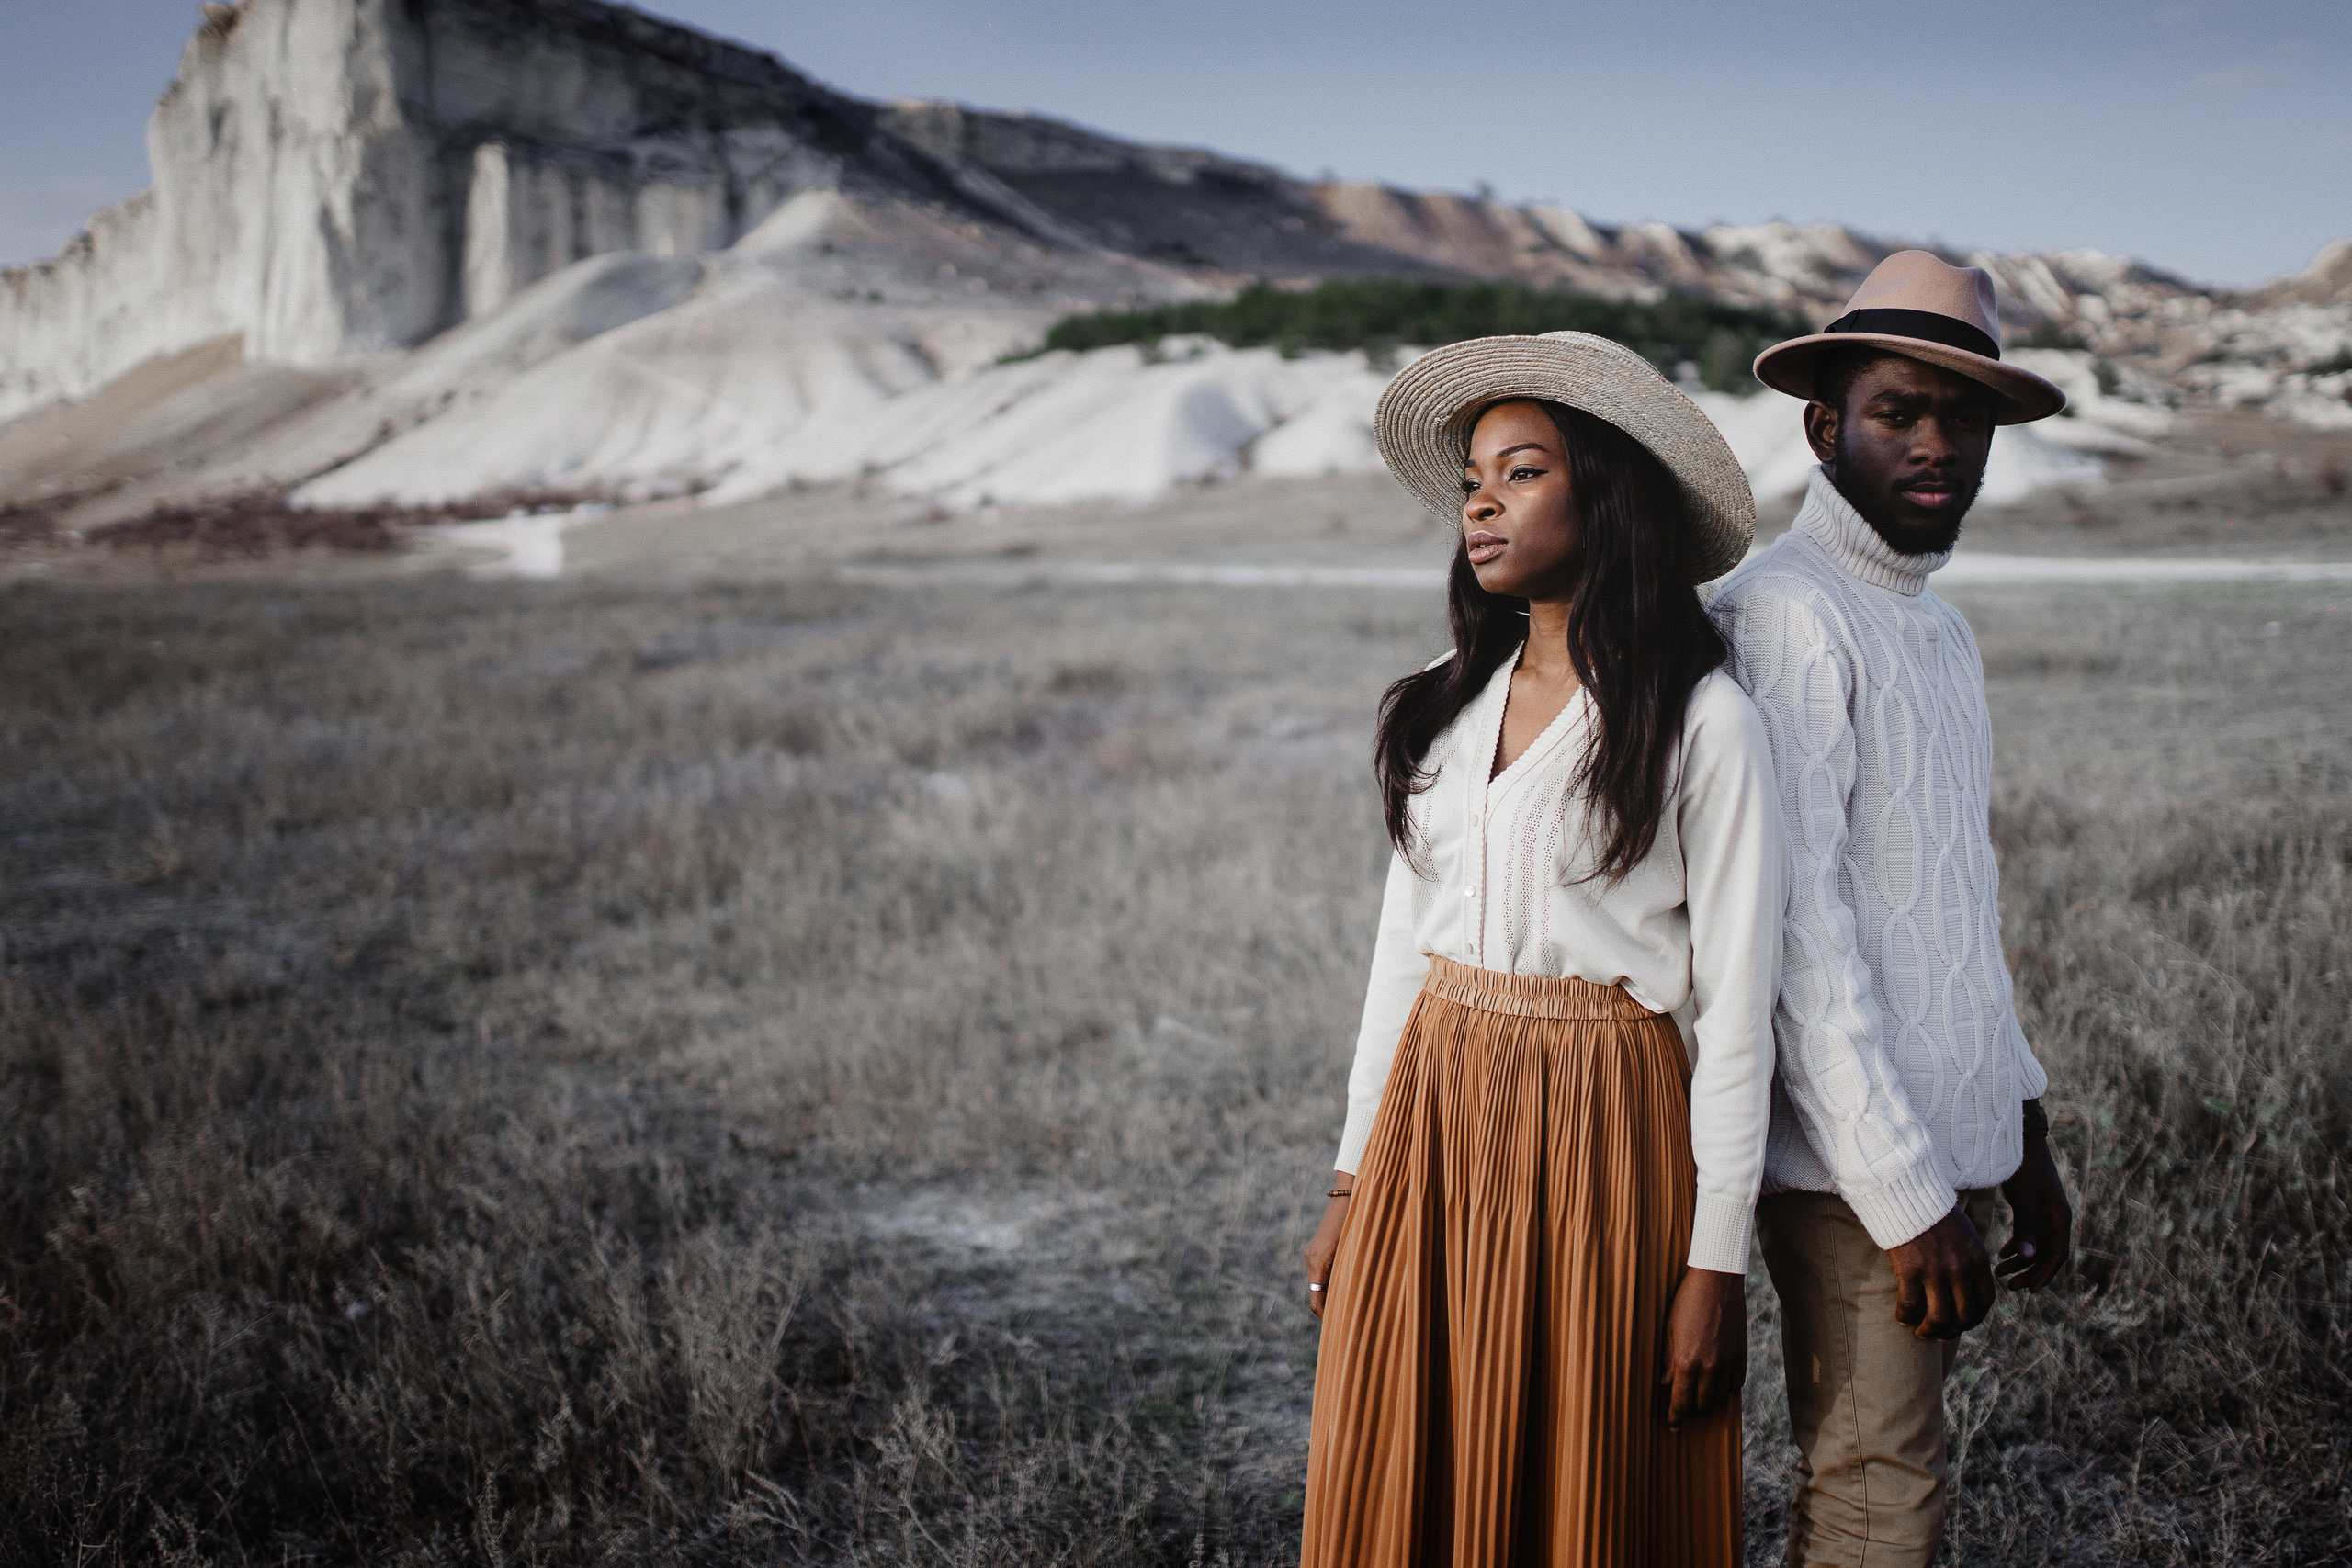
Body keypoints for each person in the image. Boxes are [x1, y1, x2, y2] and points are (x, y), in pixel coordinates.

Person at [1299, 332, 1789, 1567]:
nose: (1480, 502)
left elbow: (1738, 1009)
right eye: (1473, 479)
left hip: (1607, 1123)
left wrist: (1715, 1265)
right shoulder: (1444, 697)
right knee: (1410, 1439)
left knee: (1581, 1468)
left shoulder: (1703, 720)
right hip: (1437, 1108)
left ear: (1607, 494)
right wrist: (1352, 1181)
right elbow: (1400, 958)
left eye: (1521, 472)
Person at [1709, 251, 2078, 1567]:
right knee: (1879, 1489)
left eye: (1963, 417)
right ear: (1825, 427)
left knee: (1886, 1471)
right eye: (1898, 412)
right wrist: (1909, 1193)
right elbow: (1796, 937)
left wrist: (2020, 1126)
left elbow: (1955, 914)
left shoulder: (1937, 626)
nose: (1936, 444)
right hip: (1854, 1163)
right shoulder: (1787, 617)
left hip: (1942, 1135)